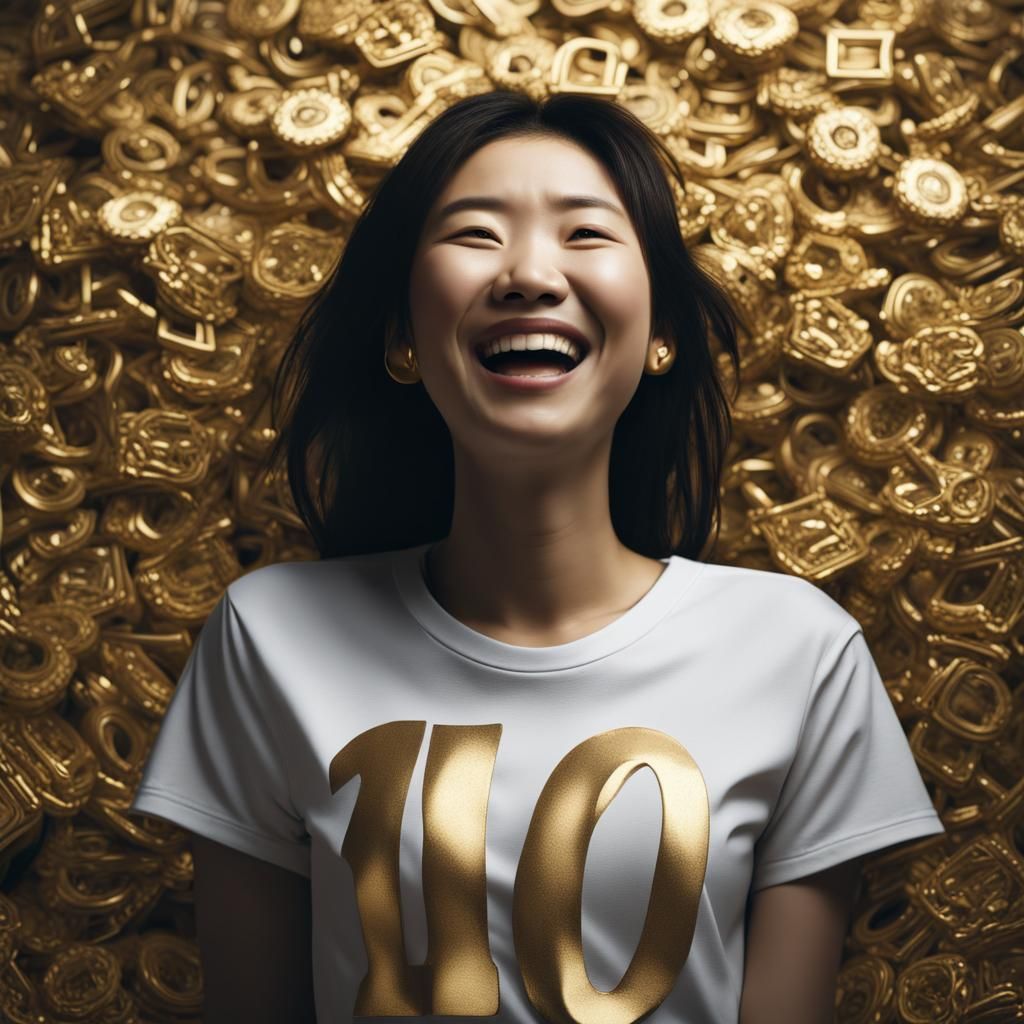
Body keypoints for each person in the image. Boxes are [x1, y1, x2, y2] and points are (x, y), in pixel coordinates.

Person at [128, 89, 946, 1024]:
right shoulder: (269, 637)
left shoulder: (799, 653)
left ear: (662, 334)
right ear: (402, 335)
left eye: (587, 234)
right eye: (475, 233)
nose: (528, 273)